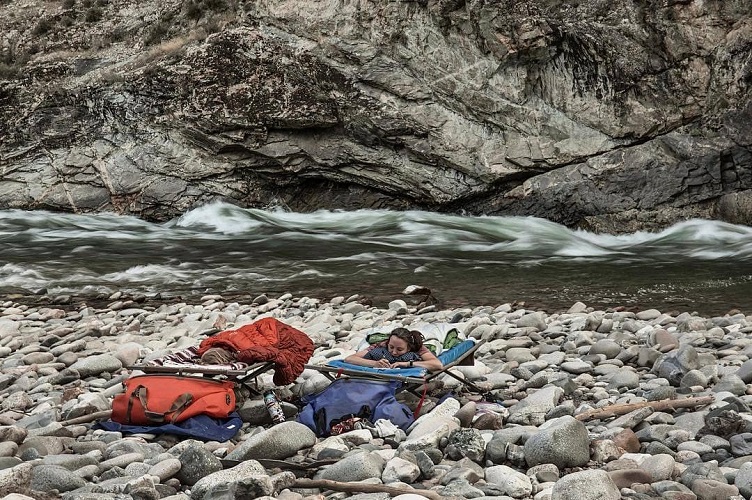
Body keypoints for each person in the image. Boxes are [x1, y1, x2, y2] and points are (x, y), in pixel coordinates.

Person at [344, 327, 443, 371]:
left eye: (399, 349)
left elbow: (437, 365)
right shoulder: (381, 345)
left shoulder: (417, 347)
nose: (394, 352)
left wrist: (407, 364)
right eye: (391, 347)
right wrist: (375, 363)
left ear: (409, 348)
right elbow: (350, 359)